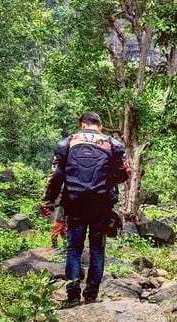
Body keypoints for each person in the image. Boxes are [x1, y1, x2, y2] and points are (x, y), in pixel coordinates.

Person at [42, 111, 130, 306]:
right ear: (100, 125)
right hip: (101, 203)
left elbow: (56, 176)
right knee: (97, 249)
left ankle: (73, 296)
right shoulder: (112, 144)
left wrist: (48, 200)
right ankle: (91, 296)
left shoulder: (68, 142)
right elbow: (124, 174)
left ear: (82, 124)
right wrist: (107, 183)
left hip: (74, 202)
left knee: (74, 248)